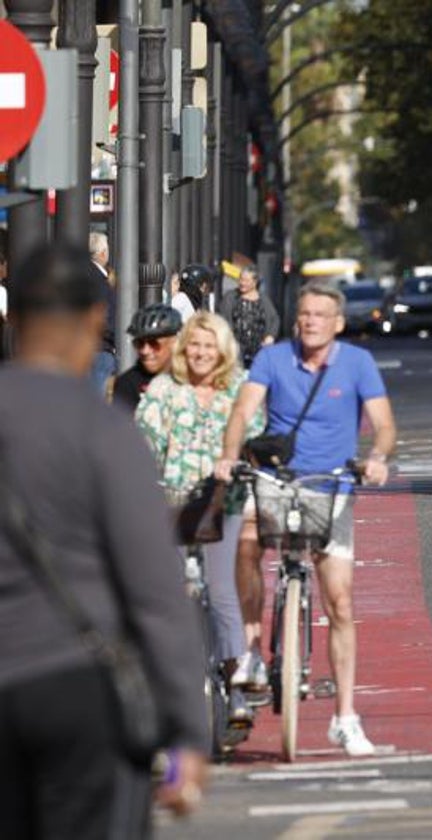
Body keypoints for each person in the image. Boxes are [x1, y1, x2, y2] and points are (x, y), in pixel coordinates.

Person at [0, 243, 207, 837]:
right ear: (96, 319)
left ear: (14, 318)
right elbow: (153, 587)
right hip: (78, 686)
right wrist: (189, 731)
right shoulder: (104, 431)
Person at [215, 280, 395, 757]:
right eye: (305, 313)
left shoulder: (358, 363)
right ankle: (253, 652)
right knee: (248, 538)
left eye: (321, 314)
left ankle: (345, 717)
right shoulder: (273, 360)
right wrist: (230, 456)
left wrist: (377, 457)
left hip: (331, 486)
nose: (311, 321)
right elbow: (242, 411)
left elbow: (384, 424)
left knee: (339, 601)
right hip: (278, 478)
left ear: (338, 323)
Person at [136, 311, 261, 728]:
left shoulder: (237, 390)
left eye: (209, 346)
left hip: (221, 505)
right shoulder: (164, 389)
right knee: (176, 595)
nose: (201, 353)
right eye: (194, 345)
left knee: (223, 590)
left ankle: (236, 684)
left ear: (222, 350)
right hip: (173, 504)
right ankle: (172, 688)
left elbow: (255, 428)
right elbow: (145, 441)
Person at [112, 303, 184, 412]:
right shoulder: (126, 384)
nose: (145, 351)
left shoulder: (190, 378)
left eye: (153, 343)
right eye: (139, 343)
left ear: (173, 342)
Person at [218, 265, 279, 368]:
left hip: (258, 349)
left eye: (246, 280)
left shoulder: (263, 300)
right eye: (241, 279)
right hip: (236, 349)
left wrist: (270, 336)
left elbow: (274, 319)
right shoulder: (231, 297)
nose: (242, 283)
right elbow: (223, 319)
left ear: (255, 282)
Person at [87, 231, 118, 396]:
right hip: (101, 348)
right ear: (103, 253)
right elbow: (105, 317)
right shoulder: (99, 281)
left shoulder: (84, 276)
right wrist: (115, 336)